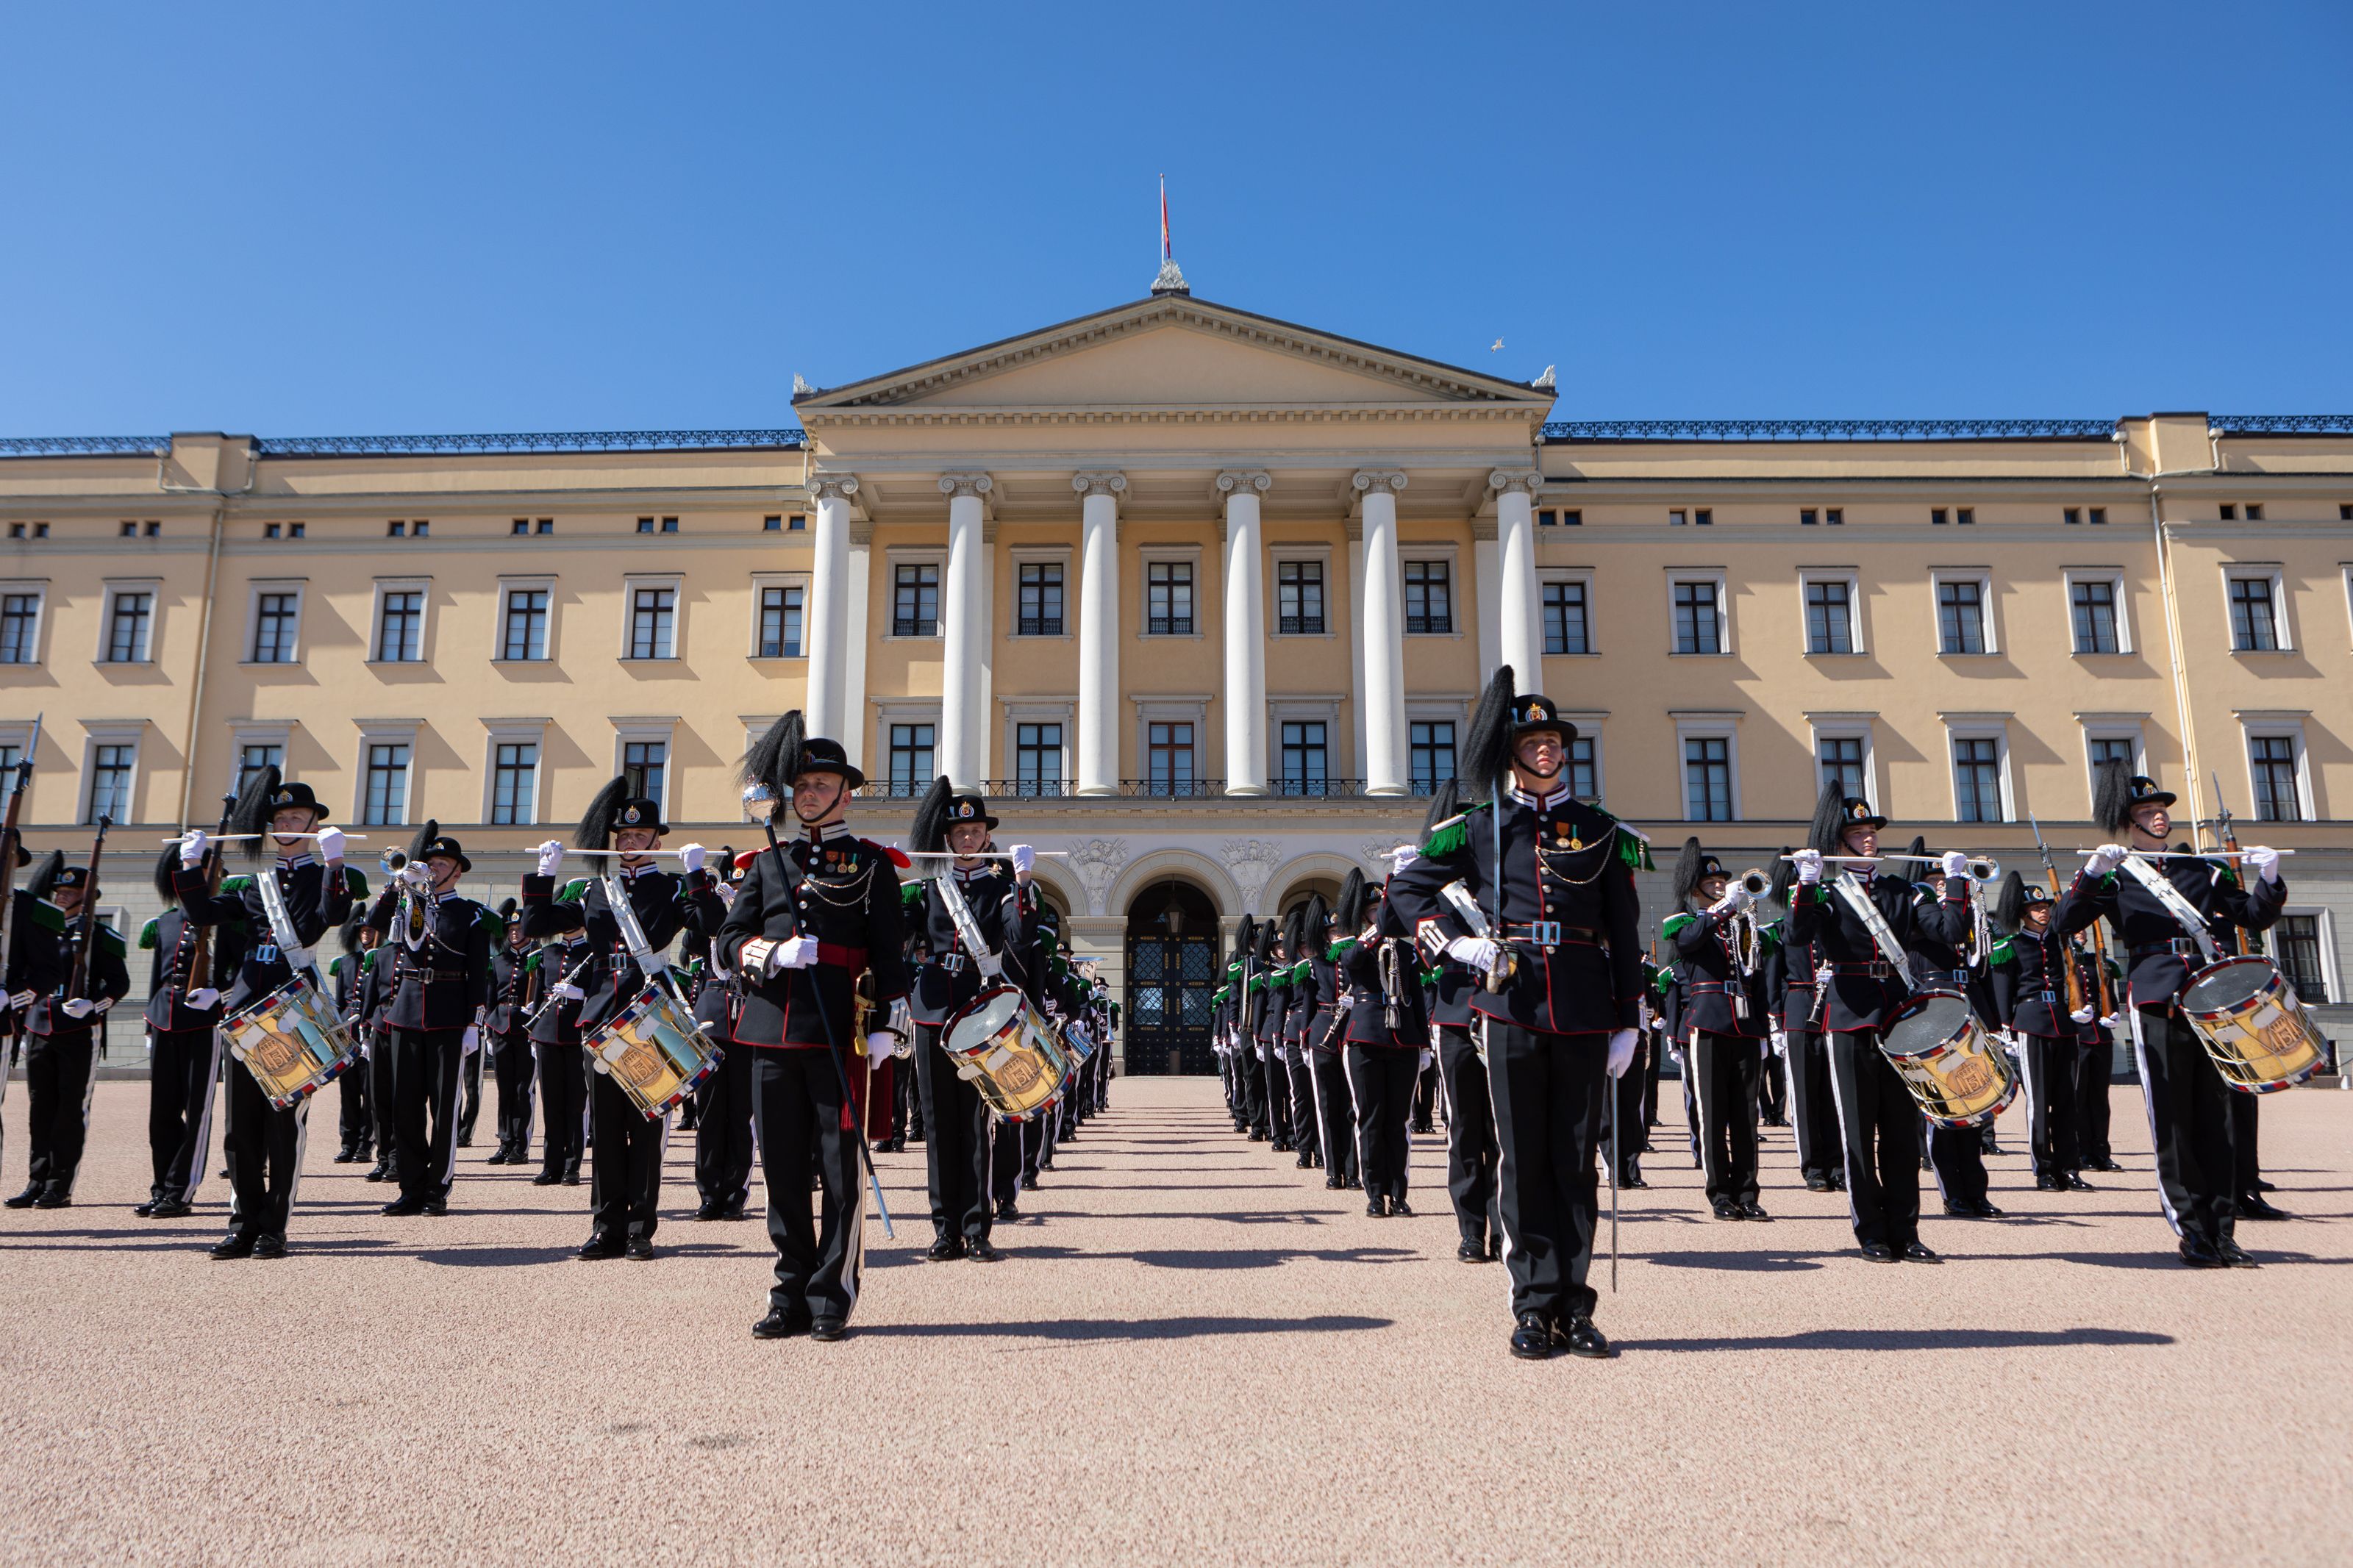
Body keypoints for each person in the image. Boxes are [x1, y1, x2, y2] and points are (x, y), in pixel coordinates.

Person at [1390, 673, 1643, 1361]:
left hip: (1585, 1007)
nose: (1545, 750)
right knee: (1523, 1160)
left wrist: (1630, 1018)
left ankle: (1575, 1304)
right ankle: (1532, 1303)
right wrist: (1455, 943)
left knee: (1576, 1162)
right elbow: (1407, 888)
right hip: (1512, 1003)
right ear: (1513, 754)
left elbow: (1623, 930)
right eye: (1532, 742)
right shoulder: (1481, 825)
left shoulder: (1599, 830)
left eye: (1553, 740)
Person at [721, 713, 910, 1342]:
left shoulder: (872, 865)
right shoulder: (768, 863)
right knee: (780, 1172)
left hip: (840, 1034)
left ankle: (832, 1292)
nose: (809, 793)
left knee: (839, 1170)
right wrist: (771, 953)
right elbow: (728, 939)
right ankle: (789, 1292)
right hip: (772, 1032)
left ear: (846, 794)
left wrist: (886, 1028)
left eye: (822, 784)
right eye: (801, 785)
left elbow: (890, 956)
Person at [2052, 767, 2284, 1268]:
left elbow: (2253, 916)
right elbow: (2064, 922)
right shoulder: (2118, 875)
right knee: (2173, 1118)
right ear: (2129, 822)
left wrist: (2270, 878)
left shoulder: (2201, 869)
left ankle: (2223, 1231)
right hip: (2157, 995)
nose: (2159, 817)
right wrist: (2092, 874)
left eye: (2161, 810)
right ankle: (2193, 1231)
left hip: (2209, 997)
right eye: (2148, 811)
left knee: (2218, 1118)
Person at [524, 781, 722, 1259]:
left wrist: (697, 875)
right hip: (602, 1016)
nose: (630, 842)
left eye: (640, 835)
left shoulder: (670, 887)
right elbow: (535, 925)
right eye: (623, 836)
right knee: (606, 1127)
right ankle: (606, 1226)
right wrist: (544, 876)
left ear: (656, 840)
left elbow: (713, 924)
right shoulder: (595, 889)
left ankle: (639, 1228)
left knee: (647, 1124)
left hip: (649, 1013)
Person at [171, 767, 362, 1258]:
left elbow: (333, 916)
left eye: (297, 817)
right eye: (280, 819)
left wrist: (335, 862)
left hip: (294, 1010)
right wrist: (189, 865)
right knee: (240, 1128)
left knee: (283, 1126)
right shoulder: (255, 883)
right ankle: (243, 1224)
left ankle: (274, 1226)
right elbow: (203, 914)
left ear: (314, 825)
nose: (287, 824)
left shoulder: (322, 877)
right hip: (249, 1013)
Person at [1786, 786, 1971, 1264]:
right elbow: (1796, 935)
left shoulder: (1902, 891)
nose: (1869, 839)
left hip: (1897, 1015)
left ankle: (1906, 1230)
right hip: (1850, 1015)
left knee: (1901, 1130)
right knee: (1857, 1129)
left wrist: (1956, 883)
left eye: (1871, 831)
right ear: (1838, 841)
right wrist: (1806, 885)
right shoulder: (1828, 893)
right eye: (1858, 833)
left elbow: (1950, 933)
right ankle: (1871, 1231)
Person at [905, 778, 1039, 1259]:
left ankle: (977, 1228)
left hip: (980, 1011)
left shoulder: (1001, 888)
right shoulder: (928, 889)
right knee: (937, 1123)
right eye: (960, 831)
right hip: (932, 1009)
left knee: (978, 1125)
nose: (968, 838)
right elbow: (897, 939)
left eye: (976, 831)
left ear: (987, 837)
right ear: (947, 836)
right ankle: (945, 1229)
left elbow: (1020, 936)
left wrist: (1024, 883)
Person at [367, 823, 496, 1220]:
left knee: (444, 1110)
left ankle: (437, 1188)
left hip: (448, 1016)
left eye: (443, 864)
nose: (435, 868)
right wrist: (399, 884)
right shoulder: (409, 904)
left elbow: (478, 972)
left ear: (458, 872)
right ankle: (410, 1187)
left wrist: (474, 1024)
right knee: (404, 1107)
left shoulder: (471, 915)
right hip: (406, 1014)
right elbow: (375, 920)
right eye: (431, 862)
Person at [4, 851, 130, 1210]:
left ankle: (60, 1184)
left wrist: (94, 1004)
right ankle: (36, 1180)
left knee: (70, 1110)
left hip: (78, 1031)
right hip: (39, 1027)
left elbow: (118, 984)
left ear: (87, 897)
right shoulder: (40, 927)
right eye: (60, 891)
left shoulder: (100, 935)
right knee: (39, 1109)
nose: (62, 896)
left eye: (71, 892)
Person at [1664, 840, 1772, 1221]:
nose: (1718, 885)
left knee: (1746, 1115)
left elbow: (1757, 977)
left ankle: (1748, 1192)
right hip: (1708, 1021)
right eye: (1710, 883)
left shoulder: (1743, 926)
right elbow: (1689, 942)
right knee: (1712, 1112)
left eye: (1721, 881)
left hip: (1744, 1024)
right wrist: (1724, 908)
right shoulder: (1684, 921)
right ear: (1696, 891)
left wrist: (1763, 1028)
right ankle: (1720, 1194)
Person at [1902, 839, 2001, 1220]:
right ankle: (1953, 1193)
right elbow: (1948, 930)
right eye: (1936, 879)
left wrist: (1993, 1023)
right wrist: (1954, 891)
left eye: (1946, 878)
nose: (1943, 884)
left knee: (1974, 1104)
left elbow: (1981, 970)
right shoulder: (1918, 909)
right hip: (1934, 1007)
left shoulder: (1964, 909)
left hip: (1965, 1006)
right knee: (1944, 1110)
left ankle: (1976, 1191)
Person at [136, 845, 235, 1217]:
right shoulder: (165, 922)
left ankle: (181, 1191)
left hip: (204, 1022)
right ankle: (161, 1186)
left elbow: (240, 972)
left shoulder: (228, 918)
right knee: (161, 1112)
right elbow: (157, 978)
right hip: (165, 1018)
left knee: (197, 1112)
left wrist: (219, 994)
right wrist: (150, 1024)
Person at [1988, 873, 2090, 1193]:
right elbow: (2002, 992)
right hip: (2030, 1023)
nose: (2043, 912)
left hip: (2063, 1023)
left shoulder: (2060, 943)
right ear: (2023, 914)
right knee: (2039, 1100)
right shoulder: (2011, 947)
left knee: (2067, 1100)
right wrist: (2006, 1029)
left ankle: (2069, 1168)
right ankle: (2044, 1169)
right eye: (2036, 908)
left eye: (2045, 907)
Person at [1337, 877, 1423, 1219]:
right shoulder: (1354, 946)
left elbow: (1417, 997)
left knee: (1399, 1120)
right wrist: (1374, 933)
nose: (1381, 915)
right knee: (1370, 1118)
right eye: (1375, 911)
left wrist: (1425, 1044)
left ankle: (1399, 1193)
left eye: (1384, 910)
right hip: (1367, 1036)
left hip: (1404, 1038)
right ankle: (1375, 1193)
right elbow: (1352, 962)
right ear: (1365, 916)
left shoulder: (1408, 950)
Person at [690, 852, 756, 1220]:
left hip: (747, 1016)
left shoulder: (759, 917)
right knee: (709, 1110)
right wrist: (711, 899)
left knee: (741, 1112)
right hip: (713, 1016)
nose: (737, 891)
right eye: (733, 884)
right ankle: (709, 1192)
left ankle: (735, 1191)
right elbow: (694, 940)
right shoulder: (713, 917)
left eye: (743, 885)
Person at [484, 901, 538, 1167]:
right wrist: (488, 1032)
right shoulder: (499, 961)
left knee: (522, 1089)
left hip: (526, 1028)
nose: (514, 933)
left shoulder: (537, 958)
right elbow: (491, 997)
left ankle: (521, 1145)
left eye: (519, 928)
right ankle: (505, 1142)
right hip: (501, 1025)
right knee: (504, 1089)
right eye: (511, 929)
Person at [326, 913, 376, 1166]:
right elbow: (339, 1001)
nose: (366, 934)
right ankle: (348, 1142)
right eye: (362, 930)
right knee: (348, 1091)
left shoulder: (378, 959)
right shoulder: (346, 962)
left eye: (370, 930)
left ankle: (366, 1143)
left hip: (369, 1028)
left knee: (370, 1091)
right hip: (348, 1030)